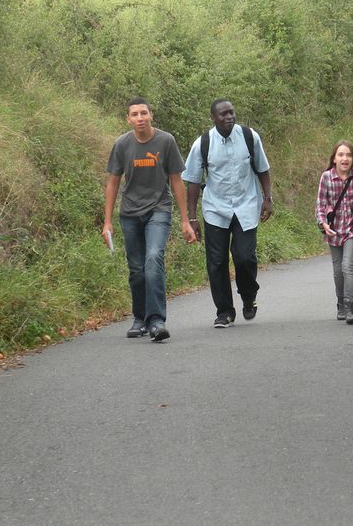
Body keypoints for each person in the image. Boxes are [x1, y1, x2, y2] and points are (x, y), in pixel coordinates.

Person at [103, 97, 196, 342]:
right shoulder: (122, 144)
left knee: (154, 258)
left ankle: (156, 321)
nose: (140, 118)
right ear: (128, 119)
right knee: (136, 269)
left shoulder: (166, 141)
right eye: (134, 114)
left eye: (143, 113)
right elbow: (113, 182)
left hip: (159, 209)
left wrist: (185, 220)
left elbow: (176, 180)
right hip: (130, 213)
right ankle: (139, 318)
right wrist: (107, 221)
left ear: (151, 115)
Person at [183, 99, 272, 328]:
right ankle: (224, 312)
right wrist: (191, 219)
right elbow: (193, 182)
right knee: (217, 261)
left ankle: (248, 295)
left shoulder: (249, 137)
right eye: (223, 114)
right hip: (215, 208)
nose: (229, 117)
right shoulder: (203, 143)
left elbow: (263, 169)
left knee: (244, 257)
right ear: (213, 117)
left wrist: (267, 199)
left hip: (246, 204)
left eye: (231, 112)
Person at [315, 141, 353, 325]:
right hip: (333, 230)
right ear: (334, 159)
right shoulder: (326, 177)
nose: (344, 158)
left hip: (351, 228)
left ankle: (350, 307)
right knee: (337, 271)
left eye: (348, 155)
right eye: (340, 155)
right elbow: (320, 204)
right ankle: (340, 303)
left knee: (347, 266)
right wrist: (323, 223)